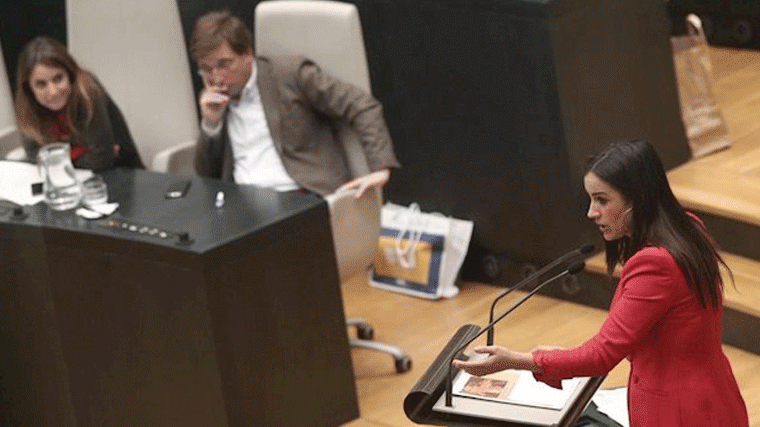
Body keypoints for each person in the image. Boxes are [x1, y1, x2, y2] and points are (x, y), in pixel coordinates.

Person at [453, 140, 749, 426]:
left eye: (602, 200)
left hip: (677, 412)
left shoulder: (655, 265)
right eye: (591, 199)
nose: (591, 212)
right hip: (713, 398)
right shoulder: (689, 228)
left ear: (637, 199)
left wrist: (516, 360)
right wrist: (557, 357)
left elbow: (601, 355)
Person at [190, 10, 400, 197]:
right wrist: (211, 125)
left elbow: (360, 104)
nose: (217, 78)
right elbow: (207, 177)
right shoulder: (214, 98)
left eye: (224, 65)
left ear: (247, 54)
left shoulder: (288, 74)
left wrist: (380, 168)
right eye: (206, 69)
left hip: (298, 194)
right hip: (243, 201)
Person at [14, 37, 144, 171]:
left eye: (58, 79)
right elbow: (34, 156)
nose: (53, 92)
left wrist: (55, 158)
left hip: (122, 173)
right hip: (68, 177)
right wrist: (81, 151)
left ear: (70, 75)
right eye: (41, 84)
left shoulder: (88, 92)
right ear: (29, 89)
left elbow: (102, 157)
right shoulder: (26, 106)